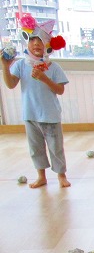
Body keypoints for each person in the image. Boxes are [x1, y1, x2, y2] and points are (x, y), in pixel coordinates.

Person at [1, 16, 69, 188]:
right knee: (35, 148)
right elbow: (10, 84)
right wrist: (5, 67)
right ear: (27, 43)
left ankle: (61, 176)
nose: (36, 44)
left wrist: (44, 78)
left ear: (47, 45)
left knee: (56, 148)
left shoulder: (53, 67)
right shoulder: (21, 65)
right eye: (32, 40)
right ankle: (41, 176)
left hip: (50, 115)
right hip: (30, 114)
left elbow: (60, 90)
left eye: (40, 40)